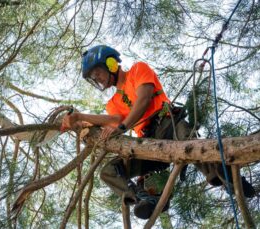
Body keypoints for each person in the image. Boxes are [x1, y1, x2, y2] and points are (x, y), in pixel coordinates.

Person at [61, 45, 191, 219]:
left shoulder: (138, 70)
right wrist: (79, 117)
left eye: (98, 73)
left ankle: (222, 174)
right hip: (148, 143)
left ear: (111, 63)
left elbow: (144, 98)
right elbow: (114, 120)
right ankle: (144, 198)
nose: (98, 79)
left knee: (189, 140)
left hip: (167, 124)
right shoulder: (113, 103)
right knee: (108, 170)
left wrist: (122, 128)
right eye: (94, 78)